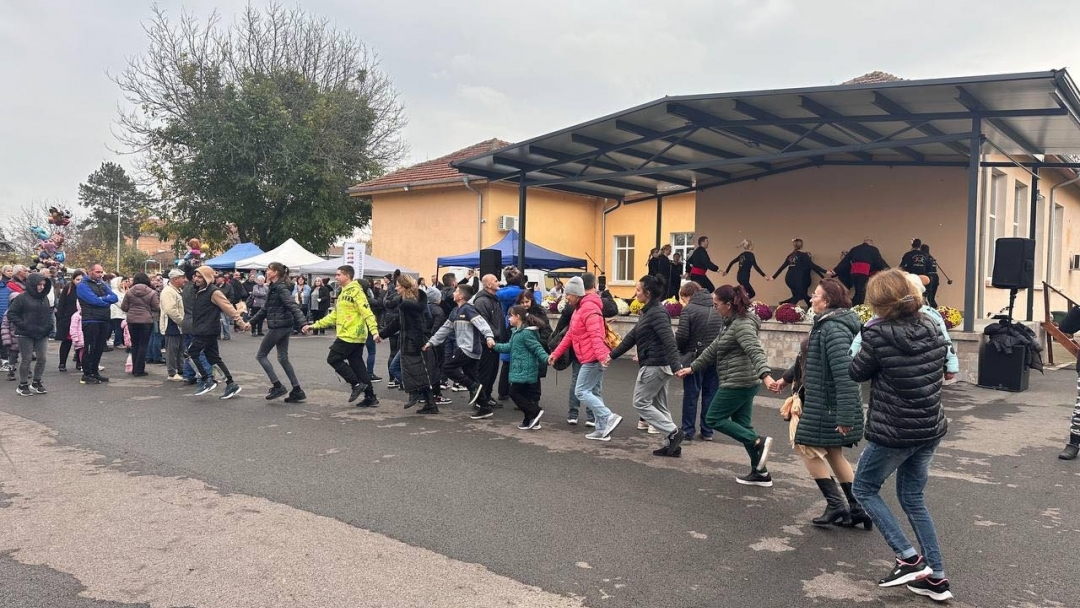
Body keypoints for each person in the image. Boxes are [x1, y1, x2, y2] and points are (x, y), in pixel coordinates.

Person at [849, 269, 952, 602]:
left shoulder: (876, 335)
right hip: (929, 428)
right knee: (913, 499)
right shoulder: (933, 326)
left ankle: (908, 558)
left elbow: (856, 371)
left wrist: (865, 334)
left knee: (863, 488)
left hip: (894, 431)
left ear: (878, 303)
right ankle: (936, 578)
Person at [773, 278, 867, 528]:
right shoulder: (827, 324)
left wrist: (845, 417)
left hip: (825, 404)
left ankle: (837, 505)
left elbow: (846, 374)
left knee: (805, 447)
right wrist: (786, 379)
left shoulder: (833, 329)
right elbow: (807, 358)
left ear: (827, 301)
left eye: (816, 295)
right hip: (824, 402)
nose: (811, 298)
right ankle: (857, 508)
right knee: (834, 453)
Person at [677, 285, 777, 486]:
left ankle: (758, 441)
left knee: (714, 418)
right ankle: (761, 473)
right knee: (743, 425)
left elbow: (754, 350)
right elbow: (713, 348)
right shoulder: (730, 322)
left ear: (728, 304)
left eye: (716, 305)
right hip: (745, 381)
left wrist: (766, 376)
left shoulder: (741, 325)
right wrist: (693, 368)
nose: (714, 309)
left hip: (737, 381)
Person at [605, 274, 685, 456]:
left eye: (638, 290)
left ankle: (673, 433)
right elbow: (632, 337)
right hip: (658, 365)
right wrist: (612, 355)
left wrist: (677, 366)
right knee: (660, 406)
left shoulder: (657, 313)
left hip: (655, 366)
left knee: (640, 402)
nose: (635, 293)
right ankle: (672, 446)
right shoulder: (649, 312)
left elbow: (669, 340)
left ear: (647, 293)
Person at [548, 276, 622, 441]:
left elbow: (597, 335)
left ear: (576, 294)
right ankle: (602, 429)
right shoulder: (579, 309)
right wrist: (556, 354)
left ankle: (608, 416)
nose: (566, 298)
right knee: (593, 392)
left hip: (593, 358)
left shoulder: (588, 309)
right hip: (591, 357)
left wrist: (603, 357)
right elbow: (570, 335)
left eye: (568, 295)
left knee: (581, 391)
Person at [305, 265, 380, 407]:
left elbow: (367, 312)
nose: (336, 277)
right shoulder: (342, 293)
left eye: (339, 275)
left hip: (350, 334)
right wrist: (314, 325)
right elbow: (334, 316)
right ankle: (370, 396)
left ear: (347, 276)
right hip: (351, 335)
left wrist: (374, 331)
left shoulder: (356, 292)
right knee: (357, 365)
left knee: (333, 359)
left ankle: (356, 384)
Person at [425, 283, 496, 409]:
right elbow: (445, 328)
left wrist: (489, 337)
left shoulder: (468, 309)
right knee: (473, 377)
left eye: (456, 291)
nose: (453, 293)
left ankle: (473, 387)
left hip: (468, 349)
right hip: (465, 349)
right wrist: (431, 342)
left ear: (461, 296)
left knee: (447, 368)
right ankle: (484, 407)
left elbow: (482, 324)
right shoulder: (455, 311)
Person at [376, 274, 440, 413]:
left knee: (400, 370)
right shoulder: (410, 301)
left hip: (413, 343)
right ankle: (429, 403)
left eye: (398, 286)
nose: (396, 288)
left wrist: (419, 342)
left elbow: (418, 323)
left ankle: (415, 391)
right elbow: (400, 322)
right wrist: (382, 334)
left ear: (404, 287)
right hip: (412, 341)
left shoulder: (408, 304)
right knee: (418, 373)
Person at [249, 262, 309, 403]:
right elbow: (265, 309)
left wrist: (303, 323)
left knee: (261, 355)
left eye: (269, 269)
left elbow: (292, 305)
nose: (266, 271)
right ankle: (297, 390)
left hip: (278, 326)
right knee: (283, 358)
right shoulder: (274, 287)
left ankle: (277, 386)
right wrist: (250, 322)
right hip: (284, 325)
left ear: (275, 272)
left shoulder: (280, 288)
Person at [187, 265, 248, 399]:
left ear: (207, 278)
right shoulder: (198, 291)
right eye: (195, 276)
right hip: (202, 329)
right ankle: (231, 384)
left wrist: (241, 322)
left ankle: (206, 380)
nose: (196, 279)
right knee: (213, 358)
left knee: (191, 353)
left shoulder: (214, 292)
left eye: (199, 277)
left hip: (207, 330)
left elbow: (229, 308)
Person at [674, 282, 721, 443]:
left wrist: (678, 351)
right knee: (710, 394)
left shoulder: (689, 309)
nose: (683, 302)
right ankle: (707, 430)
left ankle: (688, 431)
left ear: (688, 295)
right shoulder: (717, 308)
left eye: (683, 298)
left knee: (691, 395)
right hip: (714, 357)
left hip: (694, 358)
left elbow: (682, 335)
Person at [491, 304, 550, 430]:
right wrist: (495, 346)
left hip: (525, 370)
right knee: (525, 395)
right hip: (521, 369)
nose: (508, 319)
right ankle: (530, 420)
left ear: (518, 317)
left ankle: (535, 411)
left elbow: (537, 348)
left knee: (514, 393)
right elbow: (509, 347)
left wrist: (547, 358)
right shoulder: (517, 333)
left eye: (510, 316)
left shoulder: (525, 334)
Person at [8, 272, 52, 396]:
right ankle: (22, 384)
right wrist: (23, 325)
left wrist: (49, 326)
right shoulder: (22, 298)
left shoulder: (44, 298)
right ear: (32, 285)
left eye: (43, 285)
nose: (41, 287)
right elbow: (12, 313)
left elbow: (48, 313)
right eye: (39, 285)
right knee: (26, 359)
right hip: (25, 333)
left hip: (41, 332)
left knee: (42, 358)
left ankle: (36, 382)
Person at [76, 264, 119, 385]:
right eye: (98, 272)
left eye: (101, 272)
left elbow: (115, 297)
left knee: (99, 348)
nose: (100, 274)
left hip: (103, 319)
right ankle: (87, 374)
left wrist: (102, 300)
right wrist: (106, 300)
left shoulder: (102, 284)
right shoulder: (83, 286)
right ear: (90, 272)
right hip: (90, 320)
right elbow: (93, 301)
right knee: (90, 348)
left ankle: (95, 371)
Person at [473, 274, 505, 412]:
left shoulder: (494, 299)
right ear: (488, 285)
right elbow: (483, 322)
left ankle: (487, 395)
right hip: (485, 343)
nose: (499, 282)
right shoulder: (482, 301)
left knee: (492, 372)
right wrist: (494, 334)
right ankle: (480, 399)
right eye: (496, 281)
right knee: (485, 373)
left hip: (494, 342)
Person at [828, 238, 889, 306]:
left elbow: (845, 260)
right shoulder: (873, 249)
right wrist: (889, 271)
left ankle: (854, 304)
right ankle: (858, 306)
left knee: (858, 290)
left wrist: (834, 271)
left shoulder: (854, 249)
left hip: (854, 272)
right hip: (864, 271)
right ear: (870, 243)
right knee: (861, 291)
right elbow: (879, 261)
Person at [120, 273, 161, 377]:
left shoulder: (129, 292)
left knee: (135, 345)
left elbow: (124, 307)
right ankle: (139, 369)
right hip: (146, 321)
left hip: (132, 321)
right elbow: (156, 307)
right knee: (143, 345)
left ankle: (134, 369)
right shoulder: (152, 292)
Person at [772, 238, 827, 307]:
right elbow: (814, 266)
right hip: (798, 279)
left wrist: (773, 277)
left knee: (800, 295)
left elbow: (782, 267)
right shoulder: (803, 256)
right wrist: (826, 272)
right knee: (799, 295)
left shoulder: (790, 256)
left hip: (789, 279)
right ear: (801, 246)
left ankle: (787, 305)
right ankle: (786, 308)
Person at [160, 269, 187, 381]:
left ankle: (180, 370)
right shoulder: (168, 291)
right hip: (171, 325)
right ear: (175, 279)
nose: (184, 280)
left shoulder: (177, 290)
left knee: (180, 349)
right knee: (172, 350)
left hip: (178, 325)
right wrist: (182, 321)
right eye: (182, 277)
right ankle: (171, 373)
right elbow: (170, 309)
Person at [55, 269, 84, 372]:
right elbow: (61, 304)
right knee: (67, 342)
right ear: (73, 279)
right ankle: (62, 363)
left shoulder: (86, 290)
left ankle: (79, 362)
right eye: (77, 279)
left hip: (81, 319)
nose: (80, 281)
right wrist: (60, 318)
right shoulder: (69, 288)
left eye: (82, 279)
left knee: (80, 343)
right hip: (68, 319)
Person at [920, 244, 940, 308]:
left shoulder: (924, 257)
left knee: (925, 297)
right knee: (932, 298)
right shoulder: (931, 258)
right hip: (935, 277)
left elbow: (923, 269)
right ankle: (935, 309)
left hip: (929, 277)